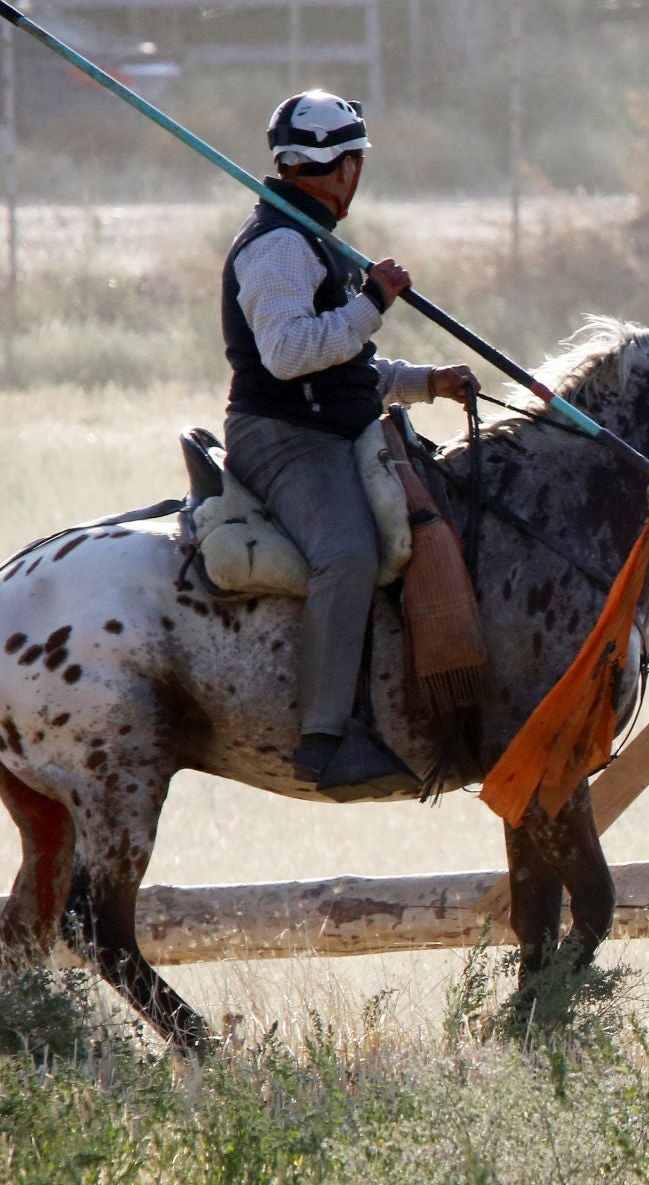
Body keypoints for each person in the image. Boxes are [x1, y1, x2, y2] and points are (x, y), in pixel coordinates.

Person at [222, 90, 479, 793]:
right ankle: (325, 738)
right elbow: (289, 353)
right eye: (356, 161)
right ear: (339, 167)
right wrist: (372, 304)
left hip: (329, 424)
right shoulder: (279, 246)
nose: (358, 176)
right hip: (286, 440)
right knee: (348, 554)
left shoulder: (315, 239)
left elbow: (344, 367)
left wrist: (427, 382)